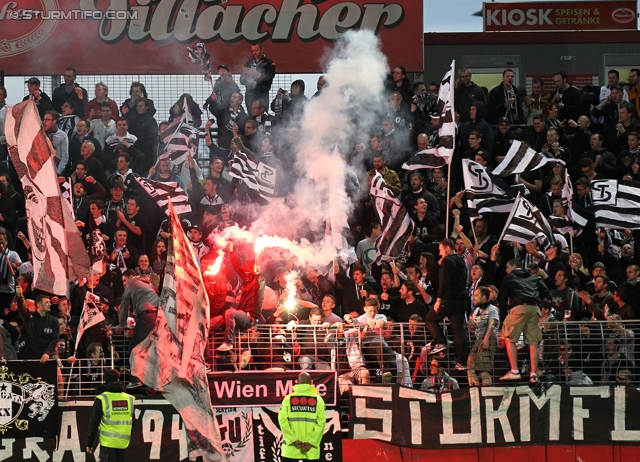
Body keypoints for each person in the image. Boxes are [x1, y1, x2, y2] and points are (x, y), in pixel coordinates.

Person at [499, 258, 550, 383]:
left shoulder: (509, 277)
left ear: (512, 266)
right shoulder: (533, 277)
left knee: (508, 337)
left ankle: (514, 371)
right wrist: (536, 298)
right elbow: (546, 291)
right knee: (533, 341)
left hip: (519, 307)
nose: (506, 270)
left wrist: (503, 317)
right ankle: (533, 374)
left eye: (507, 267)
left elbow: (502, 298)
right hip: (535, 308)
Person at [425, 239, 469, 370]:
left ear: (448, 248)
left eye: (440, 250)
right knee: (459, 330)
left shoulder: (447, 261)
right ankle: (462, 362)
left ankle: (441, 342)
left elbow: (444, 282)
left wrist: (438, 300)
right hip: (461, 300)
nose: (440, 253)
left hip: (448, 299)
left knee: (429, 319)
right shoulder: (461, 260)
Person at [86, 369, 135, 462]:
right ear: (118, 379)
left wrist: (89, 443)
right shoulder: (129, 398)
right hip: (123, 443)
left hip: (108, 443)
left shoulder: (102, 398)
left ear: (105, 380)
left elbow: (94, 423)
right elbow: (133, 422)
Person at [278, 371, 326, 462]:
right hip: (311, 450)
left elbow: (282, 420)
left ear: (297, 382)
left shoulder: (288, 399)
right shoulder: (318, 400)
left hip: (290, 449)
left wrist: (292, 440)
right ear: (311, 383)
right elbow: (321, 423)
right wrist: (312, 442)